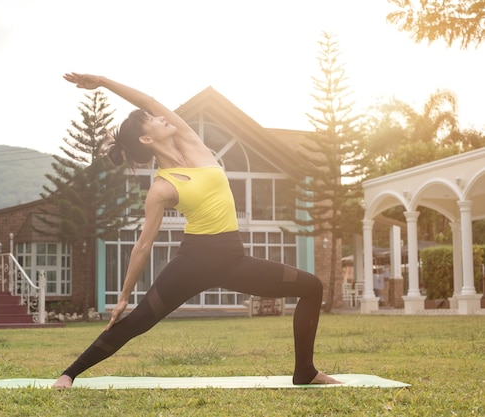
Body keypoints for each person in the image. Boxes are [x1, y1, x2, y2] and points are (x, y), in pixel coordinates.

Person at [53, 72, 340, 389]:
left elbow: (147, 100)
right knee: (137, 322)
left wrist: (105, 82)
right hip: (191, 265)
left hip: (234, 261)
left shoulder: (192, 142)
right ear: (147, 140)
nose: (161, 116)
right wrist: (122, 298)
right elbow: (143, 246)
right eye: (152, 120)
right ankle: (69, 373)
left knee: (311, 287)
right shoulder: (161, 187)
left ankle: (305, 372)